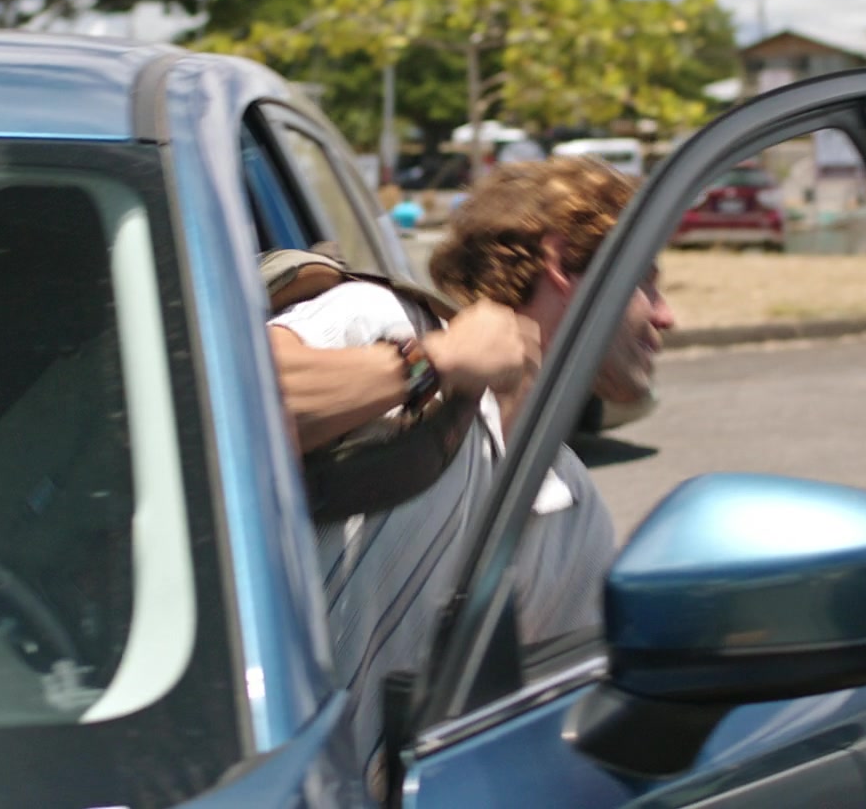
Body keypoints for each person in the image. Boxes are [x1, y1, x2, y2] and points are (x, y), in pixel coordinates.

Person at [266, 156, 675, 779]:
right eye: (645, 281)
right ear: (562, 262)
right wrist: (434, 364)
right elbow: (228, 410)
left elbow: (547, 733)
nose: (666, 315)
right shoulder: (385, 321)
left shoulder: (573, 504)